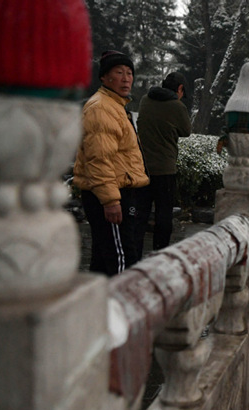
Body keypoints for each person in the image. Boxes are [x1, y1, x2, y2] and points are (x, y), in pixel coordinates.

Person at [73, 50, 151, 276]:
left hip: (118, 192)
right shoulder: (101, 108)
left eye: (129, 73)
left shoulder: (115, 106)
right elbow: (99, 159)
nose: (126, 78)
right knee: (123, 261)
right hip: (110, 194)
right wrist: (110, 201)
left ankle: (98, 308)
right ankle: (124, 308)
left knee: (103, 259)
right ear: (104, 78)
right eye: (119, 72)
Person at [137, 71, 192, 250]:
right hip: (165, 169)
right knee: (163, 215)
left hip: (142, 166)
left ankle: (134, 253)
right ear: (180, 89)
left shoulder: (145, 100)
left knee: (140, 214)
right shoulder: (177, 106)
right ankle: (159, 253)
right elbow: (186, 131)